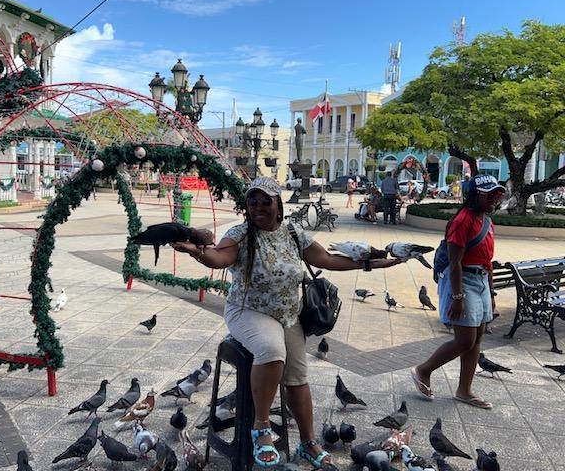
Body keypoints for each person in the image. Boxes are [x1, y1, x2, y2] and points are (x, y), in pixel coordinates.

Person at [172, 176, 402, 468]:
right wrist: (199, 252)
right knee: (271, 350)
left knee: (297, 377)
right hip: (248, 311)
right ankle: (261, 426)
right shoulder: (241, 234)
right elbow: (220, 256)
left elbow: (327, 260)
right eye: (253, 202)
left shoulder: (293, 232)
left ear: (278, 204)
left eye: (265, 201)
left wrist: (367, 263)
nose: (258, 207)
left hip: (289, 314)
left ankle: (308, 442)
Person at [411, 175, 505, 410]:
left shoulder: (485, 220)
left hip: (481, 280)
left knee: (478, 337)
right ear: (474, 195)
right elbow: (454, 264)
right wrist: (457, 297)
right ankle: (423, 370)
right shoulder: (463, 220)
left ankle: (464, 390)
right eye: (489, 195)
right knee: (465, 339)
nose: (494, 199)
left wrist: (491, 295)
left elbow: (488, 261)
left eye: (497, 194)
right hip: (463, 282)